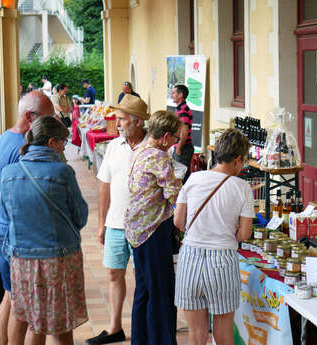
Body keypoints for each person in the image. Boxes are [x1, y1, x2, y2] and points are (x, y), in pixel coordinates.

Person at [1, 116, 89, 345]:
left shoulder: (8, 173)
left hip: (22, 260)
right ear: (51, 142)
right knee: (61, 326)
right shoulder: (62, 172)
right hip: (58, 260)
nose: (64, 147)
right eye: (63, 142)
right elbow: (80, 217)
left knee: (33, 322)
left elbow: (8, 214)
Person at [174, 128, 254, 345]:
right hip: (222, 260)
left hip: (189, 257)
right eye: (244, 161)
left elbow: (178, 222)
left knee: (197, 334)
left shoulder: (194, 179)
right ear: (237, 159)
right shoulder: (242, 187)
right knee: (224, 334)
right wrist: (228, 232)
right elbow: (245, 233)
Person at [86, 95, 149, 345]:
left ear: (138, 121)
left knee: (142, 276)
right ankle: (115, 328)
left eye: (122, 119)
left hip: (144, 227)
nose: (118, 124)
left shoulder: (151, 147)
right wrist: (102, 223)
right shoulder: (113, 146)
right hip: (115, 223)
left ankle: (143, 326)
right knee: (114, 273)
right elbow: (105, 186)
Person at [0, 91, 54, 345]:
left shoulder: (2, 139)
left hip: (1, 228)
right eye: (48, 120)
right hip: (19, 236)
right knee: (31, 311)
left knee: (9, 295)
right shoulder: (23, 149)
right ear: (30, 118)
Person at [124, 110, 182, 345]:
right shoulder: (159, 156)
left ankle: (141, 339)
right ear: (166, 137)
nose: (176, 143)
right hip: (153, 230)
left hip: (138, 231)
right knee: (161, 292)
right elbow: (174, 195)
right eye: (176, 138)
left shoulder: (139, 150)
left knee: (145, 290)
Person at [171, 84, 194, 182]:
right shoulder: (181, 108)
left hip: (183, 148)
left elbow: (184, 131)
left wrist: (179, 149)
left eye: (173, 93)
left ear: (180, 95)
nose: (172, 95)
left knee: (180, 178)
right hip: (183, 147)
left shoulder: (183, 110)